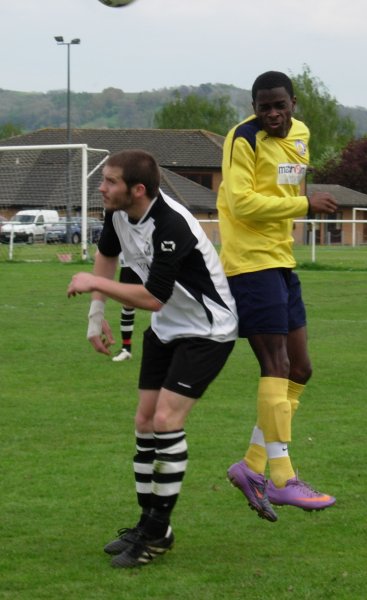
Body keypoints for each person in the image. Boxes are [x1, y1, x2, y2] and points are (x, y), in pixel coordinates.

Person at [67, 149, 238, 568]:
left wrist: (93, 284)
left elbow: (154, 298)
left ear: (137, 189)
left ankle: (158, 532)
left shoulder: (171, 224)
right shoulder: (117, 213)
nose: (101, 188)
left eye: (109, 181)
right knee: (144, 422)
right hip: (166, 330)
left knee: (166, 421)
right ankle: (147, 525)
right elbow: (107, 256)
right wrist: (95, 316)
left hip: (207, 330)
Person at [217, 71, 338, 522]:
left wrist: (298, 201)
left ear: (293, 103)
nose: (271, 114)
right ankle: (284, 479)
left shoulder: (302, 135)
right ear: (254, 105)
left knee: (300, 368)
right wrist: (305, 205)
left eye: (279, 105)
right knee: (277, 365)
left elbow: (286, 184)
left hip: (281, 260)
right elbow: (243, 202)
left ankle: (251, 466)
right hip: (250, 263)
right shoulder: (242, 139)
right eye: (263, 106)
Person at [112, 254, 141, 362]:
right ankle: (126, 349)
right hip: (127, 263)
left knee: (160, 300)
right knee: (127, 304)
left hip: (149, 261)